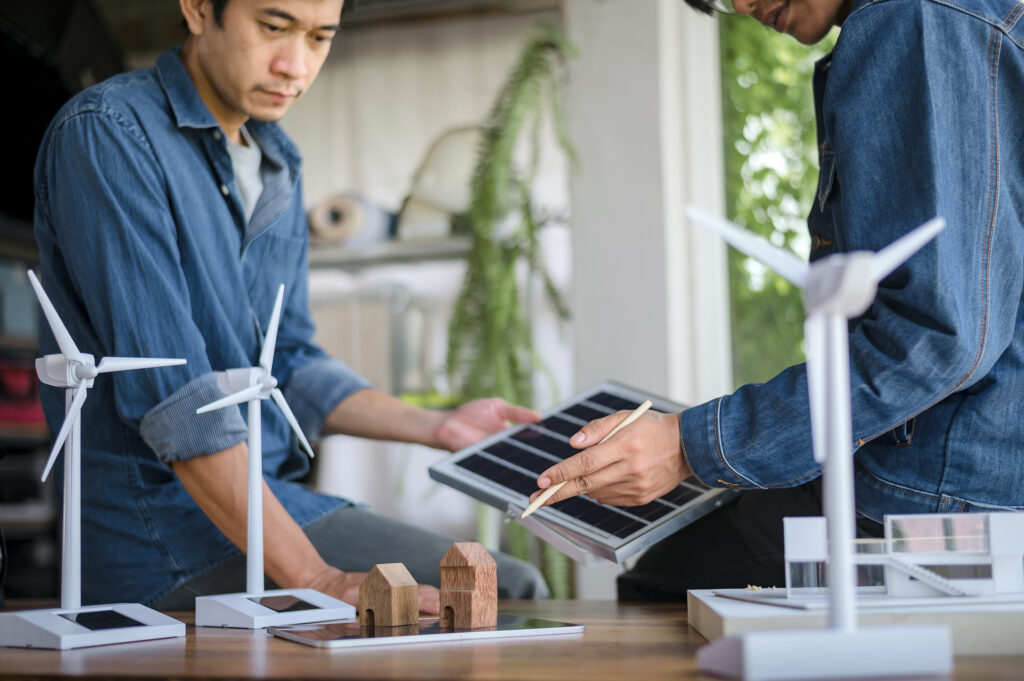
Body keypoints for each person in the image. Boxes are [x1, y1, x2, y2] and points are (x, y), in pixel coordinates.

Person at [33, 0, 548, 611]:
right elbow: (176, 397)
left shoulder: (279, 162)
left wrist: (436, 425)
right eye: (273, 28)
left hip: (264, 494)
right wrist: (317, 577)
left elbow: (290, 361)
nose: (294, 65)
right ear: (199, 9)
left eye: (319, 38)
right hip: (157, 523)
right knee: (509, 590)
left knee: (499, 586)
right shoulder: (109, 132)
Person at [529, 0, 1024, 600]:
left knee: (663, 590)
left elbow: (936, 338)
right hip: (963, 472)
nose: (740, 5)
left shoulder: (913, 19)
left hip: (937, 495)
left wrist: (690, 446)